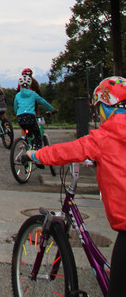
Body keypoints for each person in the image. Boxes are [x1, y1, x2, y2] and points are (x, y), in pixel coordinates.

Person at [27, 76, 126, 297]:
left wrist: (35, 155)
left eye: (99, 109)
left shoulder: (104, 137)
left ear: (106, 107)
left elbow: (65, 151)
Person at [14, 73, 54, 150]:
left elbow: (16, 107)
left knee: (27, 132)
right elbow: (43, 101)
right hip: (30, 117)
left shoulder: (17, 95)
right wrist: (52, 109)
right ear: (29, 84)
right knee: (37, 135)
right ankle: (36, 152)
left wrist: (17, 113)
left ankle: (26, 144)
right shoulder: (33, 94)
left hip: (20, 118)